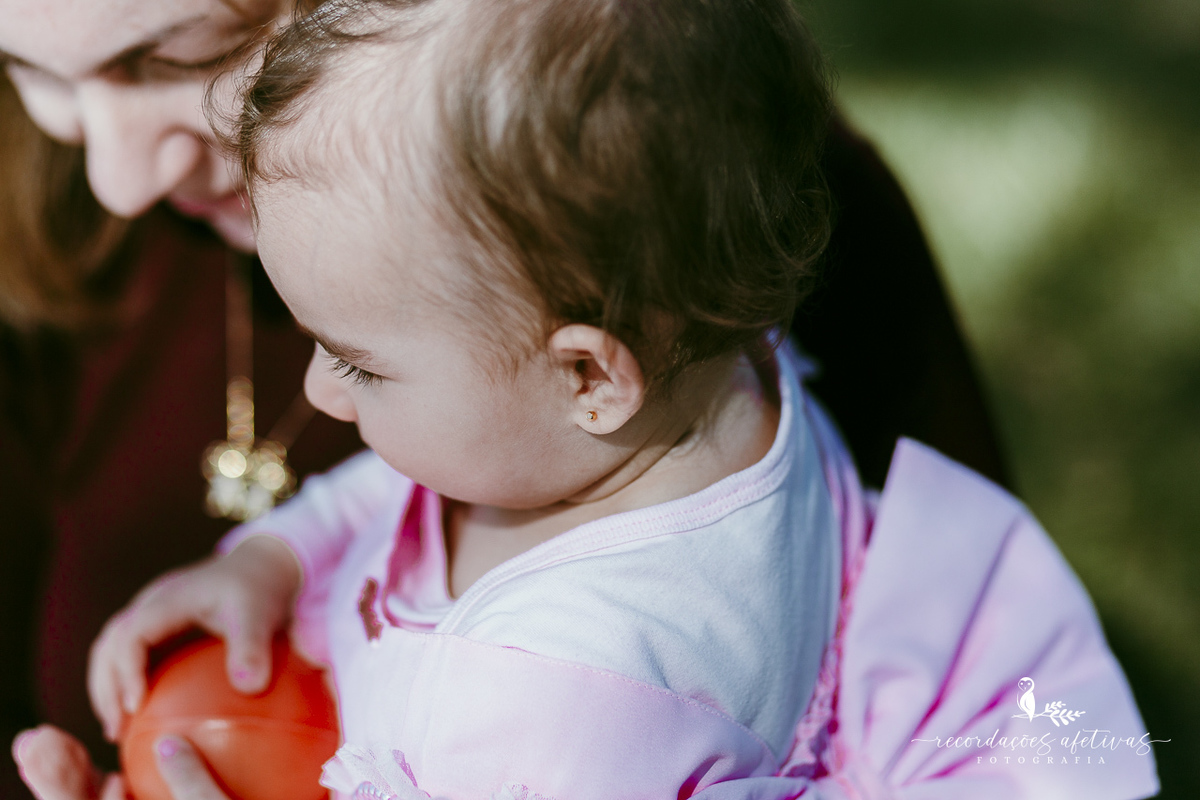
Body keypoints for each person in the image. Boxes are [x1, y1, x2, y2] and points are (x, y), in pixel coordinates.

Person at [19, 1, 1156, 797]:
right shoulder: (692, 340)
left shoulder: (560, 714)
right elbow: (432, 482)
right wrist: (277, 556)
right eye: (26, 69)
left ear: (588, 374)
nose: (322, 387)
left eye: (169, 56)